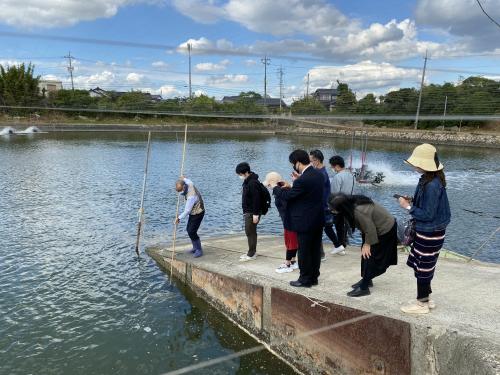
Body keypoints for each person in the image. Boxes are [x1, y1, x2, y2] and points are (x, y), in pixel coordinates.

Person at [398, 144, 451, 314]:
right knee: (424, 265)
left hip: (429, 232)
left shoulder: (431, 184)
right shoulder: (430, 179)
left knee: (422, 267)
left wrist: (407, 207)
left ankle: (421, 304)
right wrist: (413, 200)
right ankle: (426, 298)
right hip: (432, 231)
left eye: (416, 163)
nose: (413, 166)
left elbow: (428, 214)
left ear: (424, 164)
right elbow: (431, 205)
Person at [271, 150, 324, 288]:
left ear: (298, 163)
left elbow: (289, 197)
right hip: (317, 219)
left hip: (305, 221)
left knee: (305, 251)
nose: (293, 166)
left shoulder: (303, 179)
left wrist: (275, 187)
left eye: (293, 164)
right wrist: (293, 185)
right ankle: (313, 277)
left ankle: (304, 279)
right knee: (314, 250)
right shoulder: (318, 174)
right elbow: (305, 193)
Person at [329, 193, 398, 297]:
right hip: (373, 229)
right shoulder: (352, 203)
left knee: (369, 256)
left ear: (343, 207)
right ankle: (367, 279)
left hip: (385, 229)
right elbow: (366, 227)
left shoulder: (359, 211)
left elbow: (370, 229)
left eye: (333, 208)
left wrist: (367, 244)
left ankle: (364, 287)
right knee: (365, 255)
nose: (331, 210)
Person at [310, 149, 344, 258]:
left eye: (311, 161)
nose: (310, 163)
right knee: (327, 227)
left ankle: (321, 255)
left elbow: (318, 193)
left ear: (317, 160)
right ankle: (338, 246)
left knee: (318, 229)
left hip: (322, 207)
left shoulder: (321, 174)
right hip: (325, 206)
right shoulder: (322, 172)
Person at [263, 172, 299, 273]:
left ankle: (287, 264)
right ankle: (293, 261)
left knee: (290, 242)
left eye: (269, 185)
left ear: (272, 184)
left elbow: (287, 207)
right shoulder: (285, 189)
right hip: (292, 220)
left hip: (290, 221)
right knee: (293, 242)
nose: (269, 187)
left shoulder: (281, 192)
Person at [236, 162, 262, 261]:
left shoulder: (253, 183)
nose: (240, 176)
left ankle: (251, 254)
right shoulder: (248, 181)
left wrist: (255, 214)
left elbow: (257, 199)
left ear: (246, 172)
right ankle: (251, 251)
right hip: (248, 211)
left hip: (252, 212)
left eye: (240, 174)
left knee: (250, 231)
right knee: (250, 231)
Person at [329, 155, 355, 252]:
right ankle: (343, 245)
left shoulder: (338, 177)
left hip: (339, 205)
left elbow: (334, 193)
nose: (332, 168)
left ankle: (340, 246)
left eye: (332, 166)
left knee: (339, 226)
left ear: (336, 166)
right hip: (349, 204)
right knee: (344, 226)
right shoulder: (351, 175)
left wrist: (332, 207)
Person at [175, 177, 205, 258]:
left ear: (184, 187)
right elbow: (185, 179)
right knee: (189, 230)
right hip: (193, 212)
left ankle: (199, 249)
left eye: (181, 190)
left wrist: (178, 218)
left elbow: (187, 211)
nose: (181, 193)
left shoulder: (191, 197)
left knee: (192, 231)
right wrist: (183, 178)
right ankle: (194, 247)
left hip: (198, 212)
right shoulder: (189, 182)